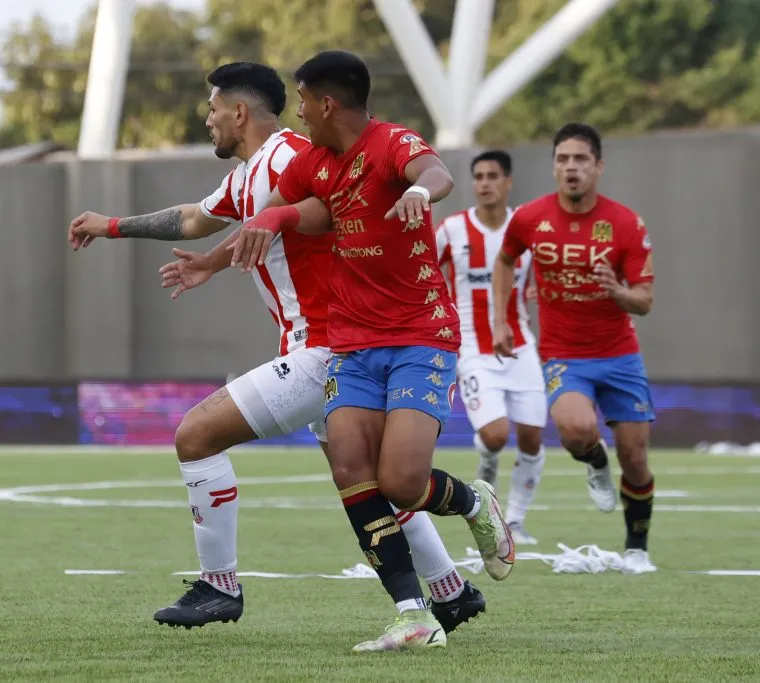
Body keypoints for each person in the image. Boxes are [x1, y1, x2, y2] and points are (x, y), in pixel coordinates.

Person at [68, 62, 485, 636]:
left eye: (212, 109)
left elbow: (345, 206)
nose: (207, 119)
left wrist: (409, 198)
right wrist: (112, 225)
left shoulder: (293, 155)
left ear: (239, 112)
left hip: (332, 345)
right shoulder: (250, 175)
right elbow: (196, 219)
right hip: (324, 343)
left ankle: (219, 586)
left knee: (197, 434)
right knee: (365, 479)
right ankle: (449, 591)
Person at [227, 50, 514, 652]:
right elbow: (311, 211)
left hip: (419, 336)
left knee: (403, 483)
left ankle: (472, 502)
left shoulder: (392, 143)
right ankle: (414, 613)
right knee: (351, 469)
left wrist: (422, 194)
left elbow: (438, 173)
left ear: (326, 102)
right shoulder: (315, 160)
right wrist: (273, 217)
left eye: (302, 100)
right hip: (351, 343)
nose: (297, 112)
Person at [491, 123, 657, 573]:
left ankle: (637, 548)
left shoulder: (625, 223)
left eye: (580, 159)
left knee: (637, 460)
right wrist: (500, 320)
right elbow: (505, 259)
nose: (571, 168)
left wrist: (617, 291)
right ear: (554, 167)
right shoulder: (529, 217)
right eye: (563, 159)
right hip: (565, 355)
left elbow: (644, 300)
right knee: (575, 428)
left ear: (598, 167)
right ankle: (594, 461)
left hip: (620, 355)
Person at [435, 150, 546, 545]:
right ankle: (488, 484)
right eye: (478, 176)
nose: (484, 183)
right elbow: (425, 271)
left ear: (507, 181)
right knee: (497, 435)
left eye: (492, 176)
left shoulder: (528, 229)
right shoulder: (452, 230)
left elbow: (541, 276)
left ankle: (515, 520)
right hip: (472, 349)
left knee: (533, 434)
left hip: (520, 346)